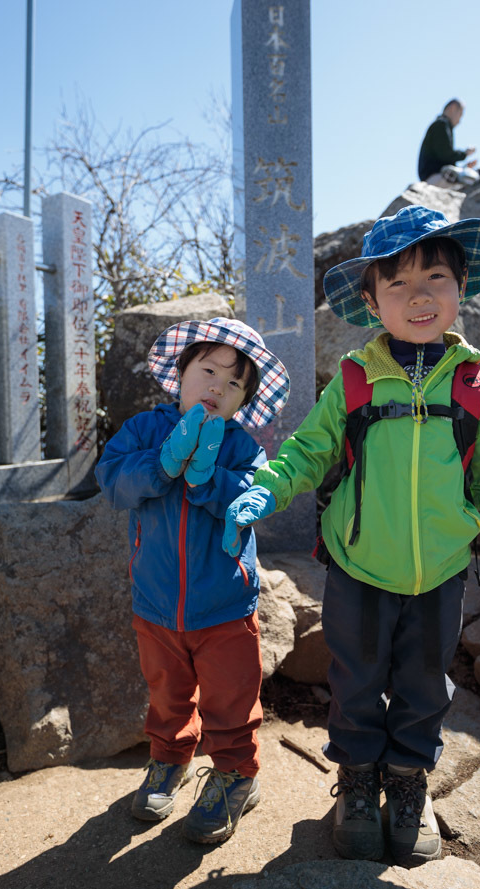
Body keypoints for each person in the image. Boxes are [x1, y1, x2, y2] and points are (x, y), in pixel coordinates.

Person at [220, 206, 480, 866]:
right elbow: (308, 449)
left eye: (436, 275)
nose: (420, 295)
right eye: (398, 283)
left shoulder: (473, 387)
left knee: (424, 683)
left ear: (461, 290)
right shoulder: (353, 380)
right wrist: (272, 485)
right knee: (354, 680)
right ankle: (356, 779)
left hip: (439, 572)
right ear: (372, 299)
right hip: (358, 566)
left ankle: (408, 781)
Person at [94, 317, 289, 845]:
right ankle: (168, 760)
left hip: (224, 604)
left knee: (231, 698)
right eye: (207, 371)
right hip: (155, 602)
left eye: (233, 384)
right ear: (180, 374)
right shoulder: (144, 430)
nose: (216, 388)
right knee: (166, 693)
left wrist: (206, 478)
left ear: (243, 400)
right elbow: (112, 481)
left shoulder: (243, 447)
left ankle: (235, 774)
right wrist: (162, 464)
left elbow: (250, 500)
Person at [417, 99, 478, 187]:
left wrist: (463, 168)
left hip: (434, 177)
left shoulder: (441, 125)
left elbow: (444, 158)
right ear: (452, 108)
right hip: (435, 178)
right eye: (460, 114)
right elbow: (445, 154)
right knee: (471, 180)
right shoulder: (441, 125)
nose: (459, 121)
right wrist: (465, 154)